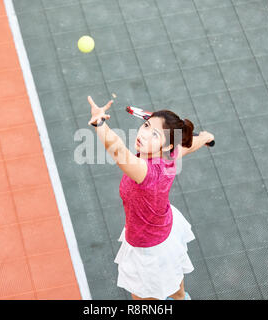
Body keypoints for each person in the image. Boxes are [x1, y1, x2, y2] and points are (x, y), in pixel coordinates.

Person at [87, 96, 214, 300]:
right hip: (165, 231)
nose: (143, 135)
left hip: (148, 249)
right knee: (176, 288)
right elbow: (188, 146)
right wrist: (206, 137)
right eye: (146, 125)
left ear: (165, 146)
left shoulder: (145, 172)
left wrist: (100, 124)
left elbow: (118, 151)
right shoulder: (169, 156)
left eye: (154, 134)